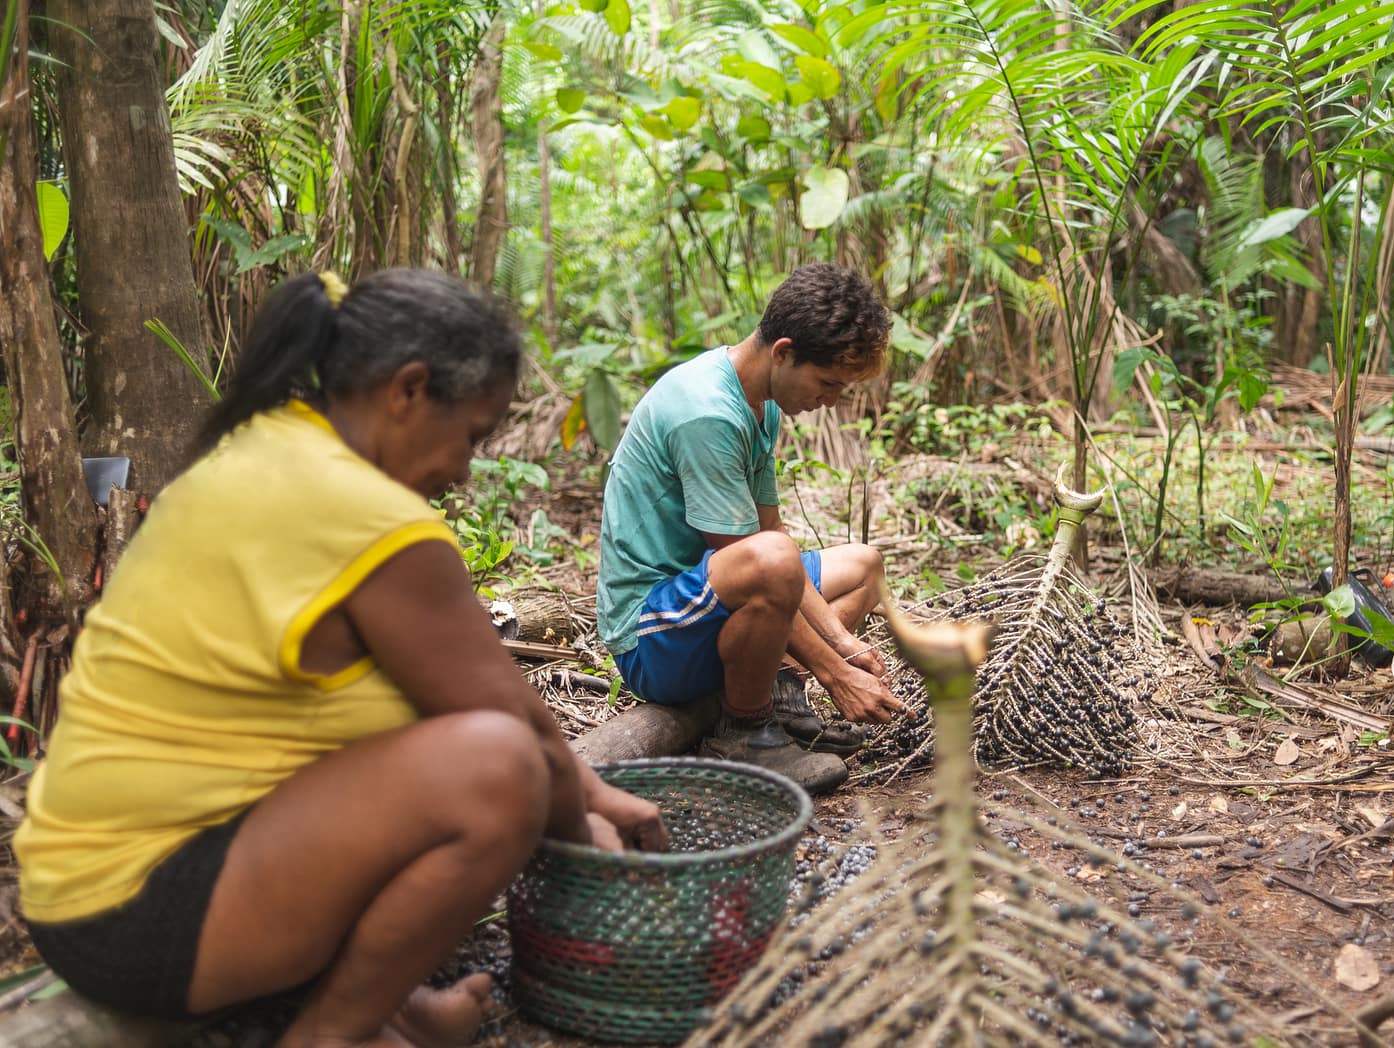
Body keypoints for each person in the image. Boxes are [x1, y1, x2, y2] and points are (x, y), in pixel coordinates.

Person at [13, 268, 667, 1048]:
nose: (464, 470)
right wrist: (587, 841)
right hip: (139, 916)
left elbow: (439, 710)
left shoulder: (269, 443)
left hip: (74, 890)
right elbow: (516, 736)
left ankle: (396, 1012)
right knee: (497, 769)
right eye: (473, 436)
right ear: (409, 390)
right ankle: (330, 1035)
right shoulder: (369, 519)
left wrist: (594, 789)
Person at [596, 262, 908, 793]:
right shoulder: (708, 412)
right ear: (783, 352)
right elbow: (764, 563)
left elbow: (772, 532)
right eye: (827, 383)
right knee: (773, 562)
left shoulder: (759, 403)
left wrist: (845, 646)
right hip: (651, 634)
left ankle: (779, 693)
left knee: (865, 567)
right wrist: (837, 674)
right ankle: (744, 730)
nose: (830, 401)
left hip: (712, 594)